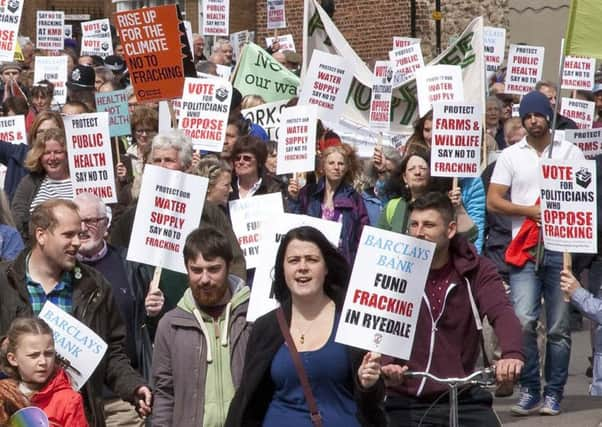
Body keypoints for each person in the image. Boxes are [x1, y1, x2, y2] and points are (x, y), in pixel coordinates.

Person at [0, 199, 152, 426]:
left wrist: (133, 386)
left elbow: (111, 353)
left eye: (79, 235)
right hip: (11, 412)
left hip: (74, 413)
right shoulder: (5, 281)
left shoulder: (95, 287)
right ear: (41, 235)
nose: (77, 243)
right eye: (68, 235)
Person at [378, 192, 524, 427]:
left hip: (463, 395)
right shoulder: (394, 269)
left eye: (428, 225)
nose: (418, 232)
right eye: (413, 225)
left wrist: (512, 355)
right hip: (407, 396)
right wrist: (387, 363)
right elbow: (378, 319)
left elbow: (502, 311)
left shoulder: (476, 270)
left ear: (450, 229)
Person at [225, 226, 386, 427]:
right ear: (282, 269)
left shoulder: (351, 318)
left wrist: (368, 384)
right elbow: (250, 396)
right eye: (293, 260)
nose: (302, 267)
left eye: (312, 259)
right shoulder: (266, 327)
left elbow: (373, 401)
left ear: (326, 267)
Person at [487, 90, 585, 416]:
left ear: (548, 115)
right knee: (524, 320)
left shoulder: (569, 152)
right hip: (525, 250)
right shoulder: (510, 155)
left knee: (558, 327)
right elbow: (494, 200)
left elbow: (585, 196)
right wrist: (528, 211)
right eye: (527, 116)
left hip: (561, 249)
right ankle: (530, 388)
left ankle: (553, 392)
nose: (533, 121)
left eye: (538, 115)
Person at [152, 226, 251, 426]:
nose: (204, 279)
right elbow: (164, 393)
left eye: (213, 269)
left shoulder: (253, 319)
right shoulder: (170, 326)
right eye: (196, 270)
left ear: (229, 265)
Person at [73, 193, 152, 427]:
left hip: (122, 399)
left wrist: (152, 312)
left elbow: (146, 328)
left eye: (91, 221)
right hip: (76, 399)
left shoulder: (130, 263)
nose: (83, 228)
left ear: (106, 225)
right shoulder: (59, 268)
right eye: (77, 222)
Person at [377, 149, 480, 247]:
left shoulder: (443, 205)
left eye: (423, 168)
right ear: (405, 178)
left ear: (431, 174)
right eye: (411, 169)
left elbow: (470, 236)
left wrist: (458, 207)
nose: (417, 172)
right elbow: (379, 241)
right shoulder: (393, 206)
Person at [288, 144, 369, 264]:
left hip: (341, 264)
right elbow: (295, 224)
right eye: (331, 163)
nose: (336, 167)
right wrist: (294, 199)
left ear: (346, 167)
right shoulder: (308, 193)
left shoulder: (354, 198)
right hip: (312, 260)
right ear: (323, 166)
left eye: (341, 164)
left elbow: (362, 235)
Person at [0, 317, 88, 426]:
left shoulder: (68, 400)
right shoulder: (4, 395)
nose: (43, 361)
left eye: (48, 354)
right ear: (13, 359)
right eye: (34, 355)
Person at [12, 128, 73, 243]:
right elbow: (18, 219)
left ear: (67, 154)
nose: (52, 157)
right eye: (46, 153)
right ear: (39, 156)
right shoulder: (30, 182)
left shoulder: (81, 181)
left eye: (58, 152)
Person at [0, 110, 64, 202]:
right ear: (34, 136)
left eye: (51, 132)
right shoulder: (19, 154)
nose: (45, 137)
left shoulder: (69, 163)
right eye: (41, 132)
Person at [229, 136, 281, 200]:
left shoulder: (272, 188)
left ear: (259, 161)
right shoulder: (227, 187)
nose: (241, 162)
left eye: (247, 158)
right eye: (237, 158)